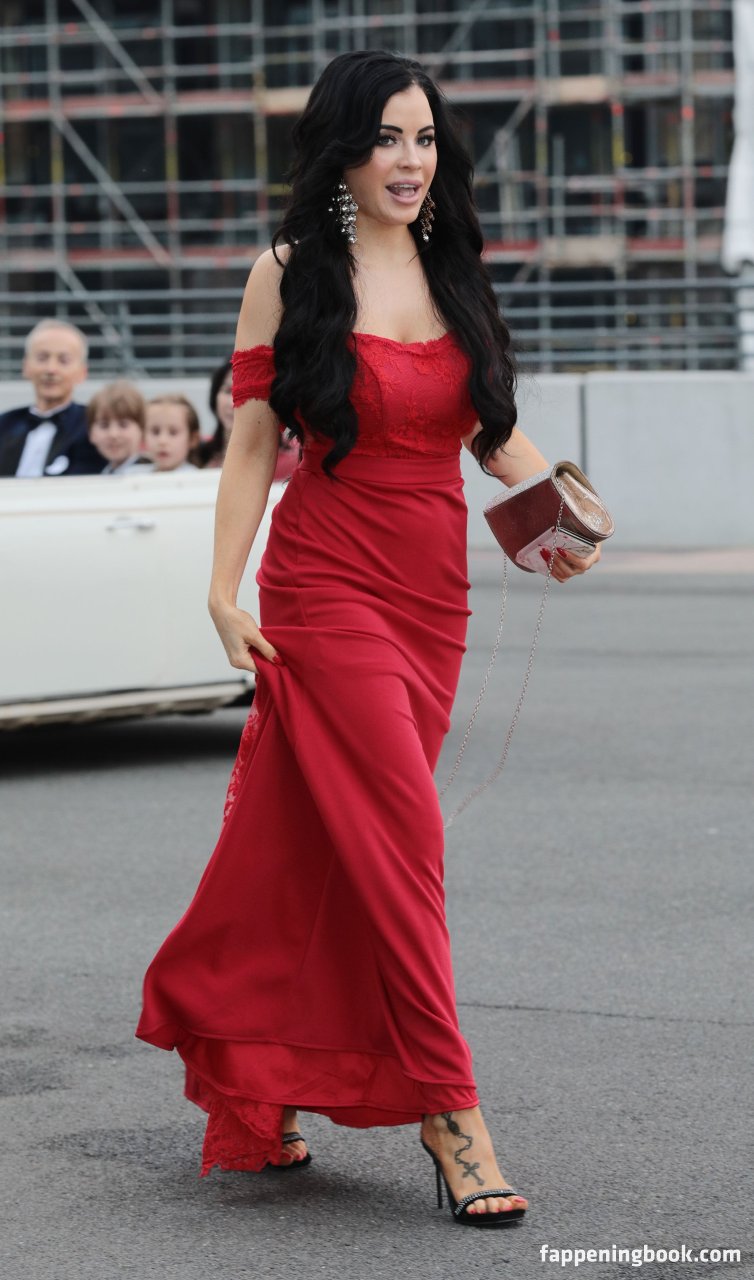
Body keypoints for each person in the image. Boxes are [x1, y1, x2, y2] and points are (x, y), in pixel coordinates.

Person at [136, 50, 601, 1228]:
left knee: (327, 848)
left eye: (425, 138)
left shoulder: (453, 267)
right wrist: (221, 587)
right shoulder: (290, 272)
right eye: (388, 137)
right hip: (324, 590)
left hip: (430, 598)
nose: (410, 160)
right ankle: (453, 1113)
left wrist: (561, 512)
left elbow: (487, 433)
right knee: (404, 843)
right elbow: (253, 438)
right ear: (343, 148)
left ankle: (265, 1066)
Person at [0, 319, 105, 477]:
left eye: (64, 360)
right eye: (42, 358)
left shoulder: (94, 425)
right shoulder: (5, 424)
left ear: (82, 372)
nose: (51, 369)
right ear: (25, 366)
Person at [199, 356, 298, 480]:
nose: (233, 403)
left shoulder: (294, 458)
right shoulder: (196, 451)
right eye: (227, 391)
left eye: (245, 394)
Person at [87, 380, 152, 475]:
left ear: (142, 429)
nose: (113, 434)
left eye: (123, 425)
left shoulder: (151, 475)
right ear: (91, 433)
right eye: (104, 425)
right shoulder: (104, 473)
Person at [145, 395, 201, 472]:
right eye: (155, 432)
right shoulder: (135, 474)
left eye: (173, 432)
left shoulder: (198, 477)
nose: (162, 441)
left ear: (193, 439)